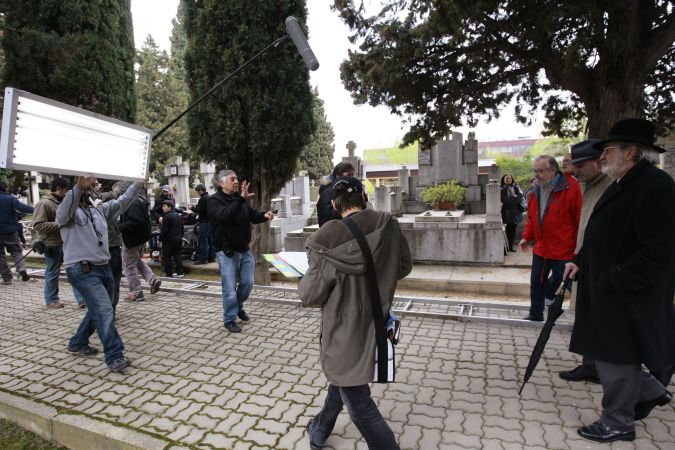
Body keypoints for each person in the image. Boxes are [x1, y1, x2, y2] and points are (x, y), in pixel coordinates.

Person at [564, 118, 674, 443]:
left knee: (617, 360)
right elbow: (605, 235)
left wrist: (617, 279)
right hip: (608, 290)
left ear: (631, 151)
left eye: (609, 150)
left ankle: (618, 421)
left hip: (627, 295)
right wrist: (580, 261)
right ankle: (651, 390)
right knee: (608, 355)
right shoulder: (624, 181)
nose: (603, 157)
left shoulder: (656, 186)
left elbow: (659, 250)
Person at [300, 176, 412, 450]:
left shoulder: (325, 240)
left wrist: (305, 276)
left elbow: (309, 295)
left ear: (335, 205)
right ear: (363, 197)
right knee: (344, 379)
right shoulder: (389, 224)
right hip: (377, 319)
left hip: (344, 330)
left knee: (360, 405)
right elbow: (403, 266)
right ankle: (321, 427)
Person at [56, 175, 142, 373]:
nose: (90, 192)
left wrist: (137, 183)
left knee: (102, 308)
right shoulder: (66, 212)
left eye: (90, 190)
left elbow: (122, 202)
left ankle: (77, 342)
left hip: (103, 266)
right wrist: (78, 187)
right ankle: (114, 356)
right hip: (82, 269)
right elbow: (66, 209)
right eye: (86, 189)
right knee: (103, 311)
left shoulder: (98, 210)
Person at [556, 139, 613, 383]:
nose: (574, 168)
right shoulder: (587, 185)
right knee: (585, 316)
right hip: (583, 260)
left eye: (580, 164)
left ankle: (613, 372)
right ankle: (590, 365)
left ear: (599, 162)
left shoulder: (612, 186)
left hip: (604, 265)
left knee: (602, 320)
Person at [208, 170, 273, 333]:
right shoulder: (213, 201)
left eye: (236, 178)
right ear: (221, 183)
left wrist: (264, 215)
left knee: (248, 284)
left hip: (244, 250)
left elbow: (251, 215)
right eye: (232, 179)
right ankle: (229, 319)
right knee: (229, 289)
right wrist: (241, 198)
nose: (236, 181)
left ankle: (237, 307)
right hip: (227, 252)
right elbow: (226, 216)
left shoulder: (240, 200)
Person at [518, 155, 581, 321]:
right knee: (536, 282)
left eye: (541, 171)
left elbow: (579, 219)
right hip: (542, 248)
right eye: (535, 171)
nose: (537, 175)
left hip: (564, 248)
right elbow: (532, 218)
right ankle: (536, 314)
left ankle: (585, 317)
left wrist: (579, 248)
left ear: (553, 170)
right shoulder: (535, 191)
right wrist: (526, 237)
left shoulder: (572, 188)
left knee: (570, 284)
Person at [32, 177, 72, 308]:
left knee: (74, 270)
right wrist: (60, 223)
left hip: (65, 242)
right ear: (59, 189)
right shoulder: (44, 203)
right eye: (66, 190)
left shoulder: (62, 202)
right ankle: (51, 300)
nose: (68, 193)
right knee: (52, 272)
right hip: (51, 244)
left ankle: (82, 299)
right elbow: (38, 225)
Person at [119, 187, 161, 301]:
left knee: (128, 267)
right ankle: (152, 280)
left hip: (132, 239)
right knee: (137, 261)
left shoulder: (131, 203)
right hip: (141, 238)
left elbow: (135, 222)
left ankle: (137, 292)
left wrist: (120, 227)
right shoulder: (140, 200)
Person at [0, 181, 33, 285]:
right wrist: (37, 209)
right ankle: (21, 268)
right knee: (16, 251)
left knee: (0, 256)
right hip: (10, 231)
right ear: (5, 188)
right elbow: (23, 208)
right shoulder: (10, 199)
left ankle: (7, 278)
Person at [317, 162, 355, 227]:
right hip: (331, 232)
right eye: (348, 175)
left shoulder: (344, 189)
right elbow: (331, 215)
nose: (351, 178)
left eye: (352, 175)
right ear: (338, 176)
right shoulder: (328, 192)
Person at [191, 184, 216, 264]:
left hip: (204, 222)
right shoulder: (210, 197)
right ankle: (212, 257)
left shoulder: (203, 199)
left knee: (203, 241)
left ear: (201, 190)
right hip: (211, 222)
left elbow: (199, 210)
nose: (198, 193)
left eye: (198, 191)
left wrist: (191, 208)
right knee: (210, 241)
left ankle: (204, 258)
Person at [158, 200, 184, 278]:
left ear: (169, 207)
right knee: (177, 256)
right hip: (178, 239)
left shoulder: (166, 216)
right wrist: (181, 237)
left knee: (167, 257)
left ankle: (169, 273)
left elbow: (164, 230)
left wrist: (160, 239)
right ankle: (180, 273)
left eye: (164, 206)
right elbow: (181, 228)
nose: (163, 208)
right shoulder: (178, 215)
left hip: (168, 240)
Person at [500, 173, 524, 252]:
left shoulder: (516, 187)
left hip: (516, 212)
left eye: (509, 178)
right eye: (506, 178)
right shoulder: (501, 189)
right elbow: (505, 200)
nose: (508, 180)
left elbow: (520, 197)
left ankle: (512, 245)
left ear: (512, 179)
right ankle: (506, 245)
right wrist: (514, 198)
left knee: (513, 229)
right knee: (507, 229)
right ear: (503, 180)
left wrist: (511, 199)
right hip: (506, 212)